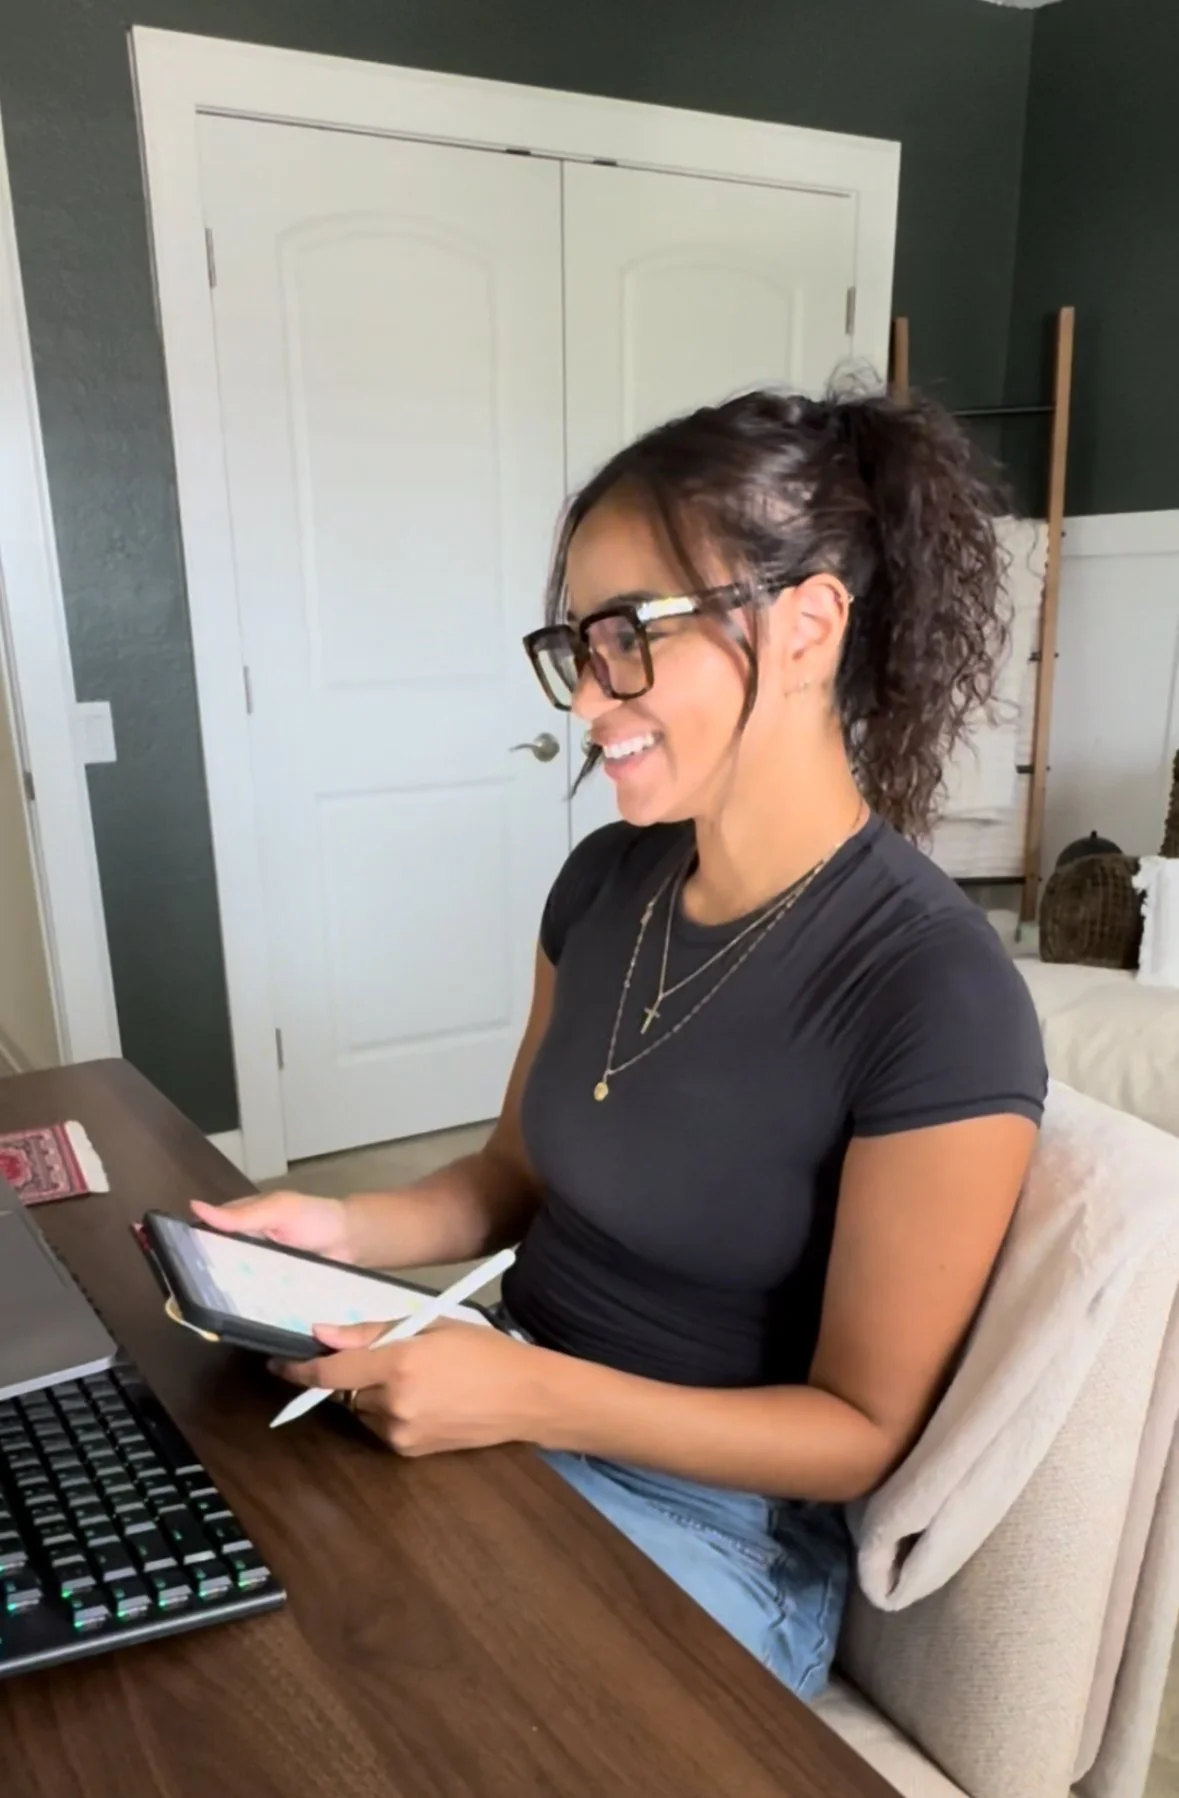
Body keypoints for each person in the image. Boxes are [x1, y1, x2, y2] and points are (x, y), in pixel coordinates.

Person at [195, 387, 1047, 1700]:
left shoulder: (933, 989)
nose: (591, 699)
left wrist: (527, 1398)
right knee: (227, 1629)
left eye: (626, 638)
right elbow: (510, 1176)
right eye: (574, 644)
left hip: (712, 1530)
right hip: (505, 1408)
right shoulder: (604, 884)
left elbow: (859, 1435)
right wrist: (342, 1230)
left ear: (808, 624)